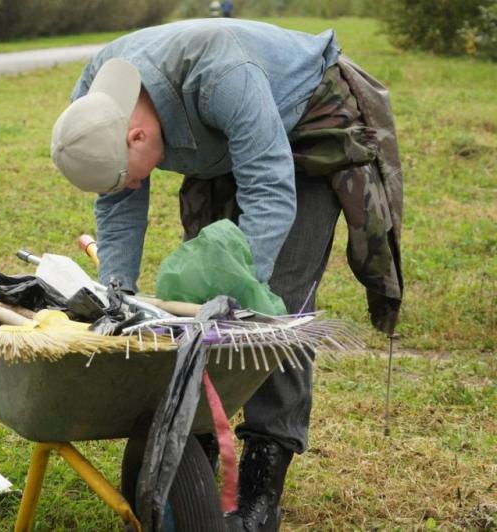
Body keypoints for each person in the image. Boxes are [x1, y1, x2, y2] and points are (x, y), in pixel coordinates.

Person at [50, 18, 403, 531]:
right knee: (197, 299)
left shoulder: (220, 75)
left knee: (270, 308)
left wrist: (243, 293)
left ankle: (262, 485)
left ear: (138, 133)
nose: (128, 186)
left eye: (127, 173)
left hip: (301, 125)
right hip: (220, 138)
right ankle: (194, 448)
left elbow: (271, 188)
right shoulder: (94, 103)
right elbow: (118, 202)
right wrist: (117, 298)